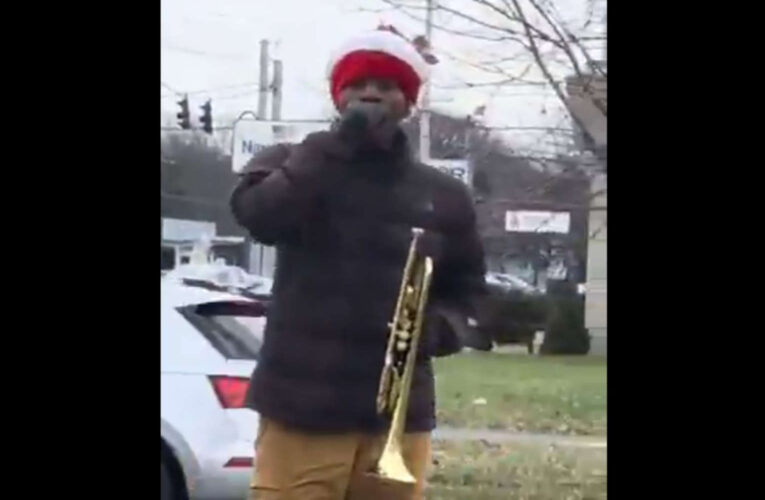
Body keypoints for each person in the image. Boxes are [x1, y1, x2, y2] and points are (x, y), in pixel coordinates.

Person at [230, 27, 487, 500]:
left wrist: (437, 330)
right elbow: (261, 217)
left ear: (408, 102)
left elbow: (470, 293)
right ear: (337, 95)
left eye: (387, 86)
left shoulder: (445, 195)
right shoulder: (291, 160)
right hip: (301, 411)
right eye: (357, 84)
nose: (370, 94)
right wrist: (334, 147)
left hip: (398, 416)